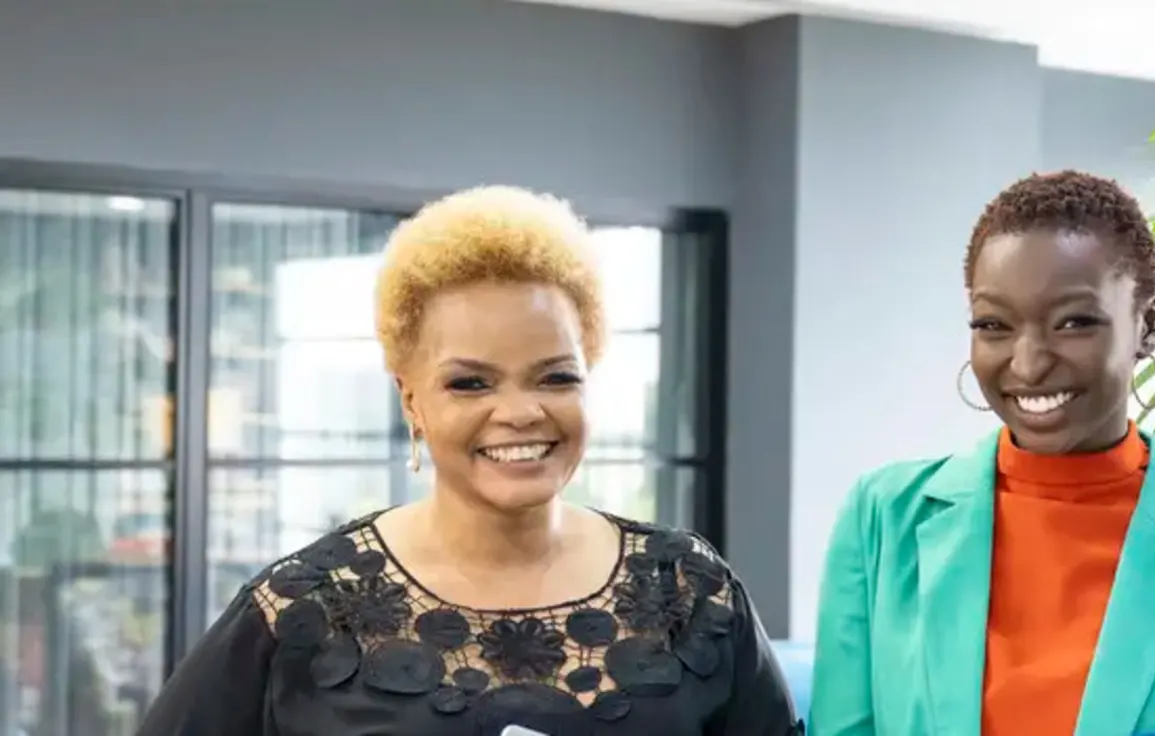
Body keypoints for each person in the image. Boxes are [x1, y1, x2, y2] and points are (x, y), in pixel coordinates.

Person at [135, 186, 799, 735]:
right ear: (412, 400)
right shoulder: (306, 610)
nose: (520, 412)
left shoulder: (689, 592)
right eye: (471, 383)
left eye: (556, 378)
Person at [808, 170, 1155, 736]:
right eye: (993, 325)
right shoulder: (882, 518)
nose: (1027, 363)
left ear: (1148, 325)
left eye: (1073, 322)